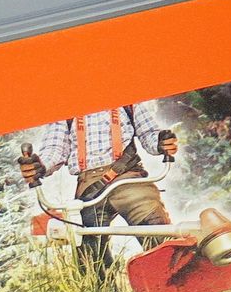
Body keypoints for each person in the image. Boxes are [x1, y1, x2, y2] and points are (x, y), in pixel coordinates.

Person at [19, 104, 178, 263]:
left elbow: (149, 133)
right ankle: (99, 276)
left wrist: (160, 143)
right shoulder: (64, 107)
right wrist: (39, 166)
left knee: (157, 231)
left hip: (128, 177)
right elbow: (54, 149)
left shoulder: (127, 100)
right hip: (89, 185)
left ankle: (172, 267)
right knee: (88, 252)